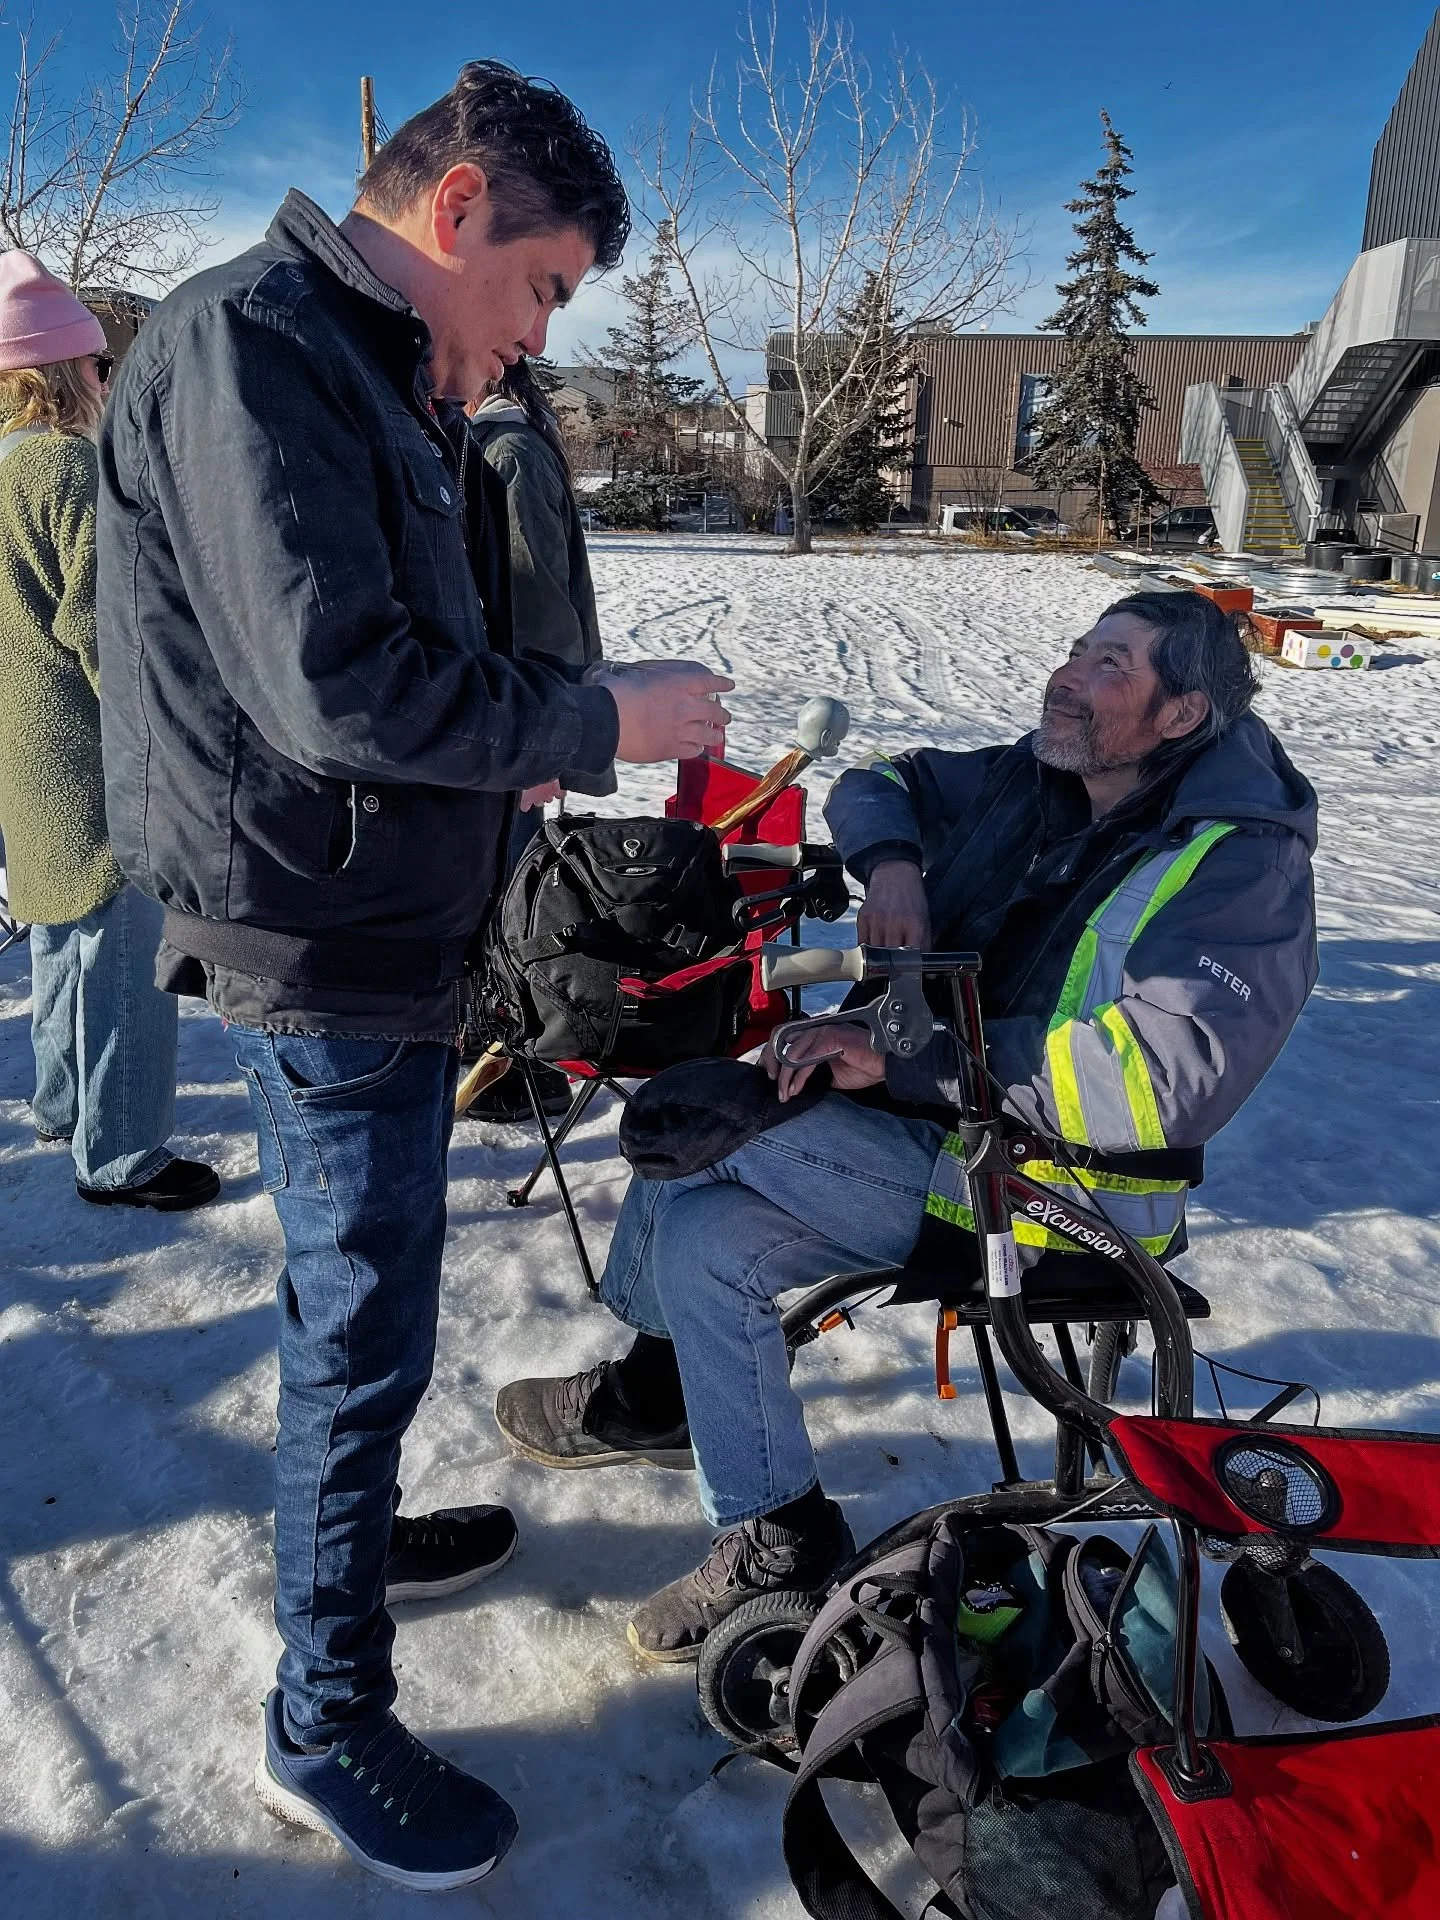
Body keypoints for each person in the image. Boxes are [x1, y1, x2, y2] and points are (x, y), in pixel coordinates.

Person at [96, 62, 731, 1891]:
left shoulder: (367, 361)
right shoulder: (255, 346)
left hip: (376, 906)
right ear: (456, 212)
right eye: (541, 287)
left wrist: (509, 749)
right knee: (361, 1329)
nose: (535, 341)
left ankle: (345, 1549)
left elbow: (390, 661)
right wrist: (594, 718)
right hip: (322, 935)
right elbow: (338, 686)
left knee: (364, 1315)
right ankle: (323, 1712)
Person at [496, 591, 1319, 1662]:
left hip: (1062, 1196)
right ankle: (780, 1533)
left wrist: (909, 1058)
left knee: (705, 1116)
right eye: (1077, 647)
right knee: (702, 1232)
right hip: (935, 1142)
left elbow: (1163, 1083)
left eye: (1111, 664)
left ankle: (652, 1393)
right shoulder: (1042, 772)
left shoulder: (1242, 865)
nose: (1068, 675)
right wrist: (893, 866)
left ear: (1180, 714)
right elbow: (878, 779)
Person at [0, 250, 217, 1211]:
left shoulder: (5, 463)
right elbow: (105, 627)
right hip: (85, 749)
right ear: (62, 369)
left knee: (59, 932)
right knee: (127, 950)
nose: (105, 376)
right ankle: (122, 1152)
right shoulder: (63, 465)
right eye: (97, 361)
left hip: (21, 747)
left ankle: (58, 1102)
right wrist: (168, 733)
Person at [462, 353, 611, 1121]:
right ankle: (491, 1045)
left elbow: (535, 606)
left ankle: (515, 1059)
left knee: (507, 892)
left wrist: (538, 739)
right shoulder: (496, 446)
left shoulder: (507, 453)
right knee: (495, 887)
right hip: (507, 717)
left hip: (517, 720)